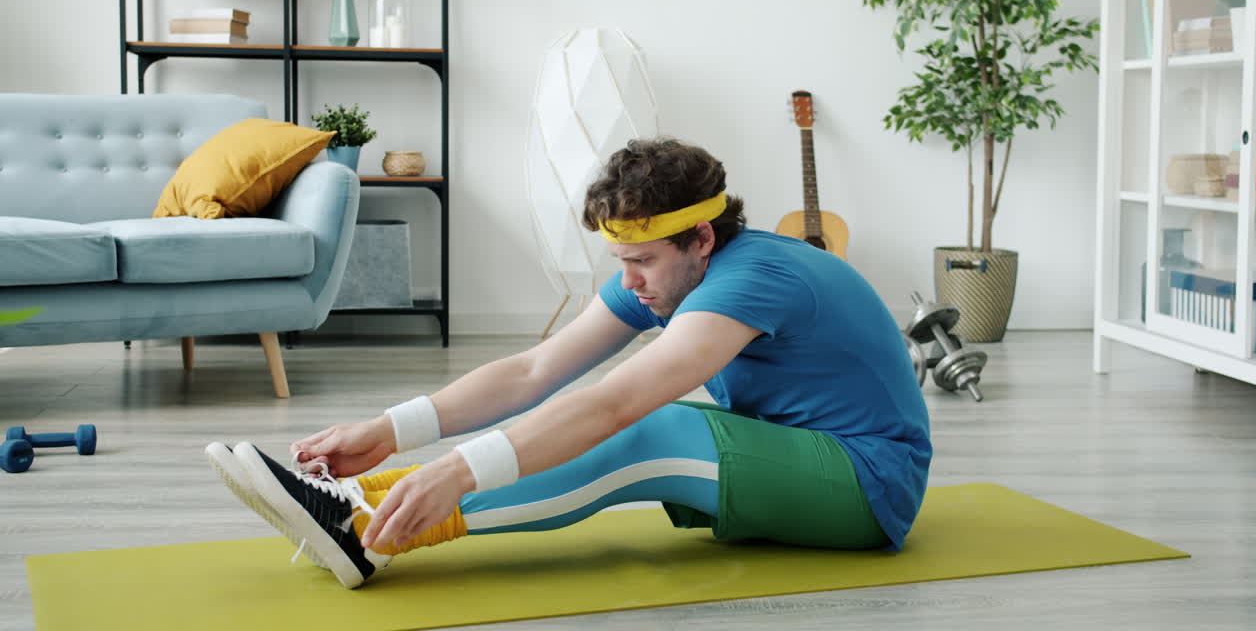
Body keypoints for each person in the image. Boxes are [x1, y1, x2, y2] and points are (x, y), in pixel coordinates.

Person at [206, 137, 932, 589]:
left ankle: (374, 532)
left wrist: (459, 471)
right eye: (620, 261)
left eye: (642, 262)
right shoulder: (667, 274)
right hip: (805, 459)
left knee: (645, 430)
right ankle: (364, 505)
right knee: (639, 421)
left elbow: (614, 406)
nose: (631, 280)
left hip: (870, 484)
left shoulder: (755, 278)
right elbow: (533, 373)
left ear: (701, 240)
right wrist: (390, 429)